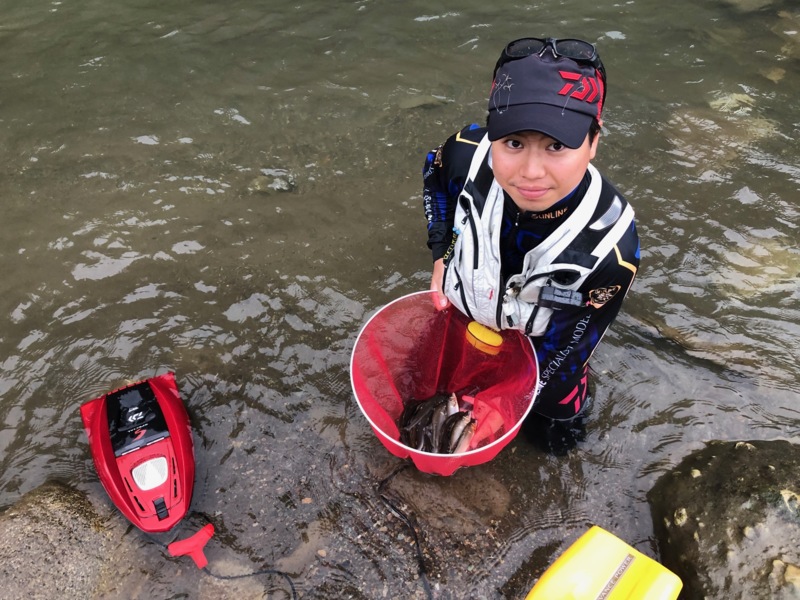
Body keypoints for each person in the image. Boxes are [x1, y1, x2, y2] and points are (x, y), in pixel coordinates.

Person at [421, 37, 640, 453]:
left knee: (552, 441)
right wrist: (441, 254)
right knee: (427, 396)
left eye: (557, 146)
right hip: (466, 314)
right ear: (492, 135)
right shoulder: (464, 153)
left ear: (593, 142)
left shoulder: (612, 251)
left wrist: (510, 399)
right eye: (514, 143)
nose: (531, 172)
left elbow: (570, 347)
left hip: (545, 350)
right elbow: (434, 175)